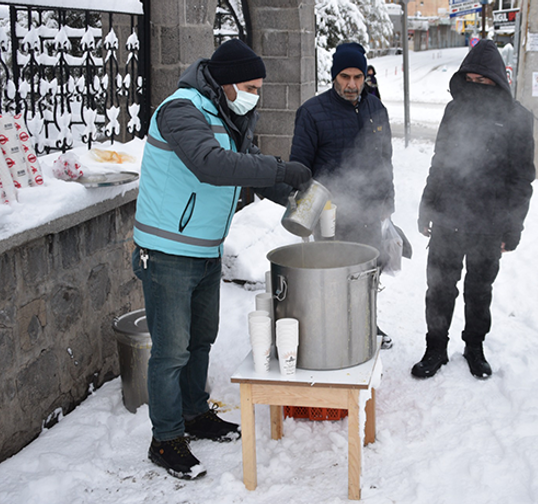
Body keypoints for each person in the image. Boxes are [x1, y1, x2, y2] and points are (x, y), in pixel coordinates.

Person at [133, 39, 312, 479]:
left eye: (259, 87)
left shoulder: (229, 113)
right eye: (250, 85)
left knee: (200, 341)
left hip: (205, 249)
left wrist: (298, 190)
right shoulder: (180, 110)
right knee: (171, 352)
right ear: (225, 83)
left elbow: (245, 163)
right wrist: (279, 170)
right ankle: (166, 438)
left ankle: (194, 415)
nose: (255, 94)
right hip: (168, 251)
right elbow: (212, 165)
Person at [411, 40, 535, 380]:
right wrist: (427, 206)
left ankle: (474, 346)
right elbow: (440, 162)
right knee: (439, 287)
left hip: (489, 222)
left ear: (499, 81)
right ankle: (435, 347)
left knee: (479, 290)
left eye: (486, 81)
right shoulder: (454, 111)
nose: (478, 86)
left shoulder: (518, 118)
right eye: (473, 80)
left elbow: (522, 179)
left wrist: (513, 227)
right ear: (464, 79)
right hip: (449, 215)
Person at [289, 42, 395, 349]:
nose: (352, 84)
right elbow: (299, 168)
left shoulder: (377, 109)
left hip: (369, 209)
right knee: (331, 275)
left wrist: (387, 201)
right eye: (345, 77)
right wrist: (304, 211)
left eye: (358, 77)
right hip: (329, 213)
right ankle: (332, 330)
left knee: (367, 274)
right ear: (335, 76)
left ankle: (365, 325)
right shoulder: (312, 112)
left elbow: (385, 160)